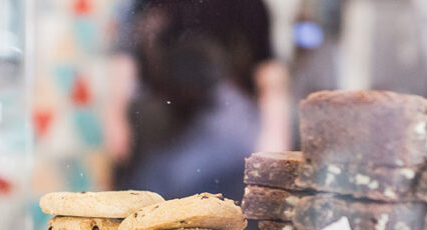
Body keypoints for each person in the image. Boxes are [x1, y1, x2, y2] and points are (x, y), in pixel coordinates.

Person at [105, 0, 290, 205]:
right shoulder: (142, 4)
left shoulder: (248, 5)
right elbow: (125, 60)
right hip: (159, 123)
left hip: (223, 124)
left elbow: (267, 70)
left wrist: (274, 134)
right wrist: (116, 118)